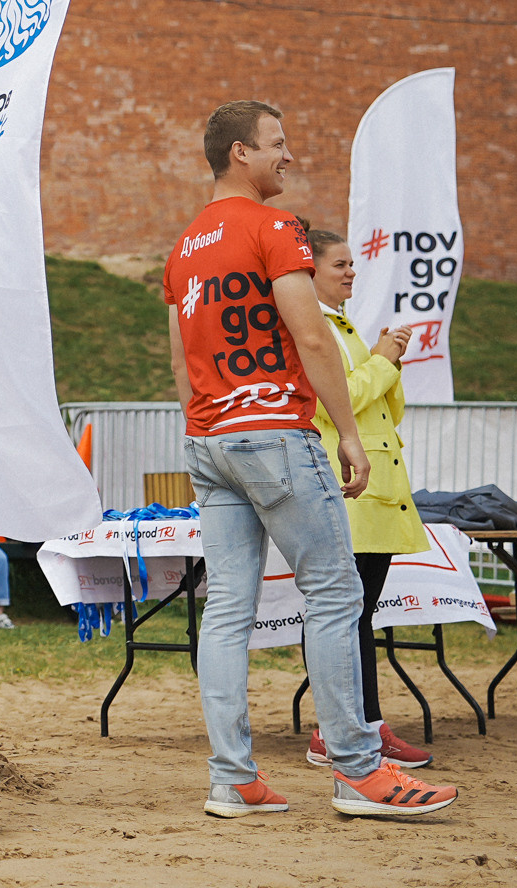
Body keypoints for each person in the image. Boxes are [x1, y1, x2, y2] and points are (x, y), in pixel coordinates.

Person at [165, 100, 456, 821]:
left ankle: (231, 777)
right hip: (275, 431)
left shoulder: (183, 247)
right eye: (277, 144)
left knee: (228, 609)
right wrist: (350, 432)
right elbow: (312, 337)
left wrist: (203, 431)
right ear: (240, 153)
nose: (287, 155)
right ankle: (359, 768)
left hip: (212, 435)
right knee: (334, 594)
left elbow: (180, 357)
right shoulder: (274, 228)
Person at [303, 226, 434, 770]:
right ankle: (350, 729)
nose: (352, 272)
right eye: (340, 265)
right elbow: (331, 402)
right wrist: (380, 361)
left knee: (359, 616)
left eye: (352, 264)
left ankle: (352, 726)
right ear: (309, 270)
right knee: (350, 617)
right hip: (351, 491)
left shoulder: (340, 326)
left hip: (371, 492)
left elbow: (384, 412)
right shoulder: (315, 328)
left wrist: (388, 362)